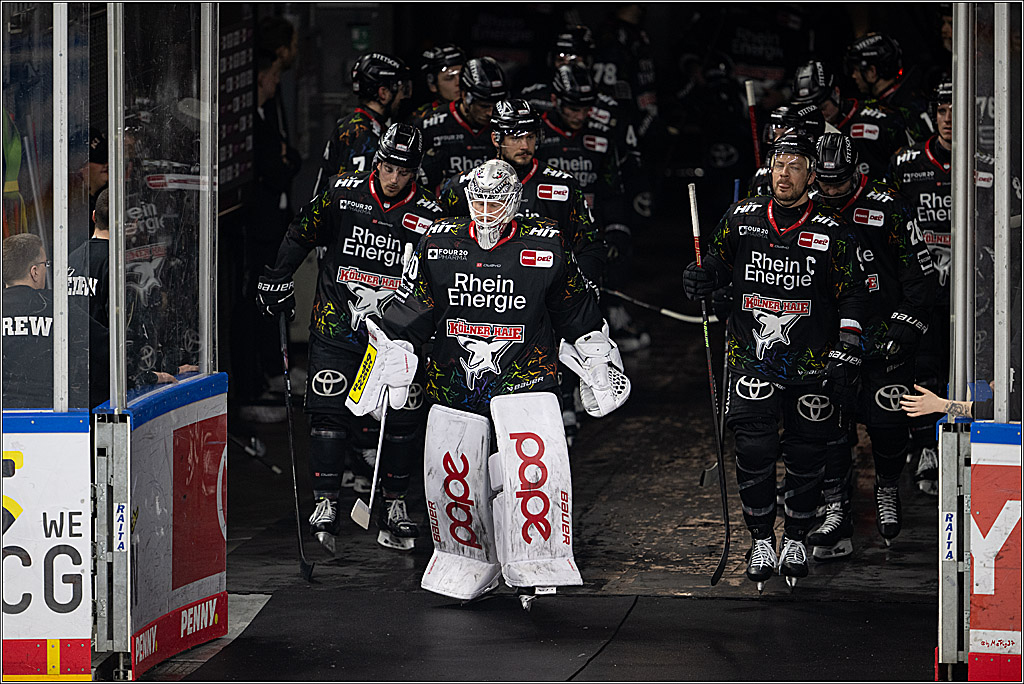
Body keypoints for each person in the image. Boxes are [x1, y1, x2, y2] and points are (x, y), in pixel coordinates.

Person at [344, 158, 631, 604]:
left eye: (496, 201)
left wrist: (598, 360)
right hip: (455, 379)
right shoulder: (439, 242)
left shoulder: (547, 245)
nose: (485, 211)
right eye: (478, 200)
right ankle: (468, 558)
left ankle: (539, 557)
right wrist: (391, 352)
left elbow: (577, 311)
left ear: (514, 201)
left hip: (527, 375)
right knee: (454, 474)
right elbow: (412, 307)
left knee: (528, 468)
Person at [681, 134, 869, 591]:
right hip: (751, 358)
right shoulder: (744, 217)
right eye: (779, 164)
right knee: (754, 449)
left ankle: (797, 539)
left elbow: (857, 292)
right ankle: (762, 539)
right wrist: (701, 277)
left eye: (795, 166)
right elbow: (715, 266)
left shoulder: (832, 228)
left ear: (811, 175)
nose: (784, 174)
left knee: (807, 455)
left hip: (812, 364)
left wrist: (848, 347)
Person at [257, 124, 444, 553]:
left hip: (396, 338)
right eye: (389, 167)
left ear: (416, 172)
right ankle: (325, 502)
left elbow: (438, 279)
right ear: (376, 161)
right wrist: (276, 278)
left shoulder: (430, 215)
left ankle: (395, 505)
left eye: (404, 171)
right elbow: (301, 232)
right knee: (326, 413)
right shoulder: (343, 194)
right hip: (338, 325)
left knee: (401, 418)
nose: (394, 178)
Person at [436, 99, 607, 448]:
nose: (525, 145)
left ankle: (558, 420)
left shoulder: (562, 187)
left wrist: (583, 289)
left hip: (541, 303)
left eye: (531, 136)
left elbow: (590, 245)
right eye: (515, 136)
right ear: (496, 137)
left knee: (536, 404)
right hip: (482, 302)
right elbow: (441, 242)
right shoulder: (466, 186)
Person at [808, 132, 937, 556]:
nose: (829, 190)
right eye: (823, 182)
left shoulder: (886, 205)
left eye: (837, 183)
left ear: (856, 172)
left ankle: (886, 488)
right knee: (828, 428)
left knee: (885, 425)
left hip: (883, 338)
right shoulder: (805, 210)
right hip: (828, 341)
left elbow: (921, 275)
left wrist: (906, 326)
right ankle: (835, 507)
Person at [535, 63, 648, 353]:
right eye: (572, 107)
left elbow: (611, 192)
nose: (579, 114)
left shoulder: (600, 139)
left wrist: (617, 231)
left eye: (585, 107)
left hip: (585, 236)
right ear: (556, 99)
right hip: (540, 235)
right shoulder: (534, 137)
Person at [886, 81, 952, 496]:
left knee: (970, 371)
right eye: (942, 109)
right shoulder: (906, 163)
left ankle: (964, 440)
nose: (949, 118)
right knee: (923, 366)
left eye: (956, 109)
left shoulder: (992, 160)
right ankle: (926, 446)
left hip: (975, 291)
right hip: (922, 287)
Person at [235, 48, 304, 424]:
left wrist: (286, 159)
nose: (278, 83)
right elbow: (275, 170)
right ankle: (254, 384)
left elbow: (289, 160)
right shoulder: (251, 122)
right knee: (254, 303)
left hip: (276, 222)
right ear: (260, 78)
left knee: (277, 295)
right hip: (255, 226)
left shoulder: (270, 114)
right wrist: (283, 162)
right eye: (274, 76)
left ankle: (275, 372)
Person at [2, 234, 91, 408]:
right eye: (45, 264)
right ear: (34, 271)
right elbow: (103, 345)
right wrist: (146, 375)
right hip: (51, 417)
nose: (45, 269)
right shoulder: (57, 306)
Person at [312, 52, 412, 198]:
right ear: (383, 93)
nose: (403, 97)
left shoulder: (364, 124)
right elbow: (357, 196)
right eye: (401, 90)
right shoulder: (361, 132)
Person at [791, 59, 906, 180]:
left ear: (836, 93)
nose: (817, 116)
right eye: (808, 110)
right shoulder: (800, 129)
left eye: (822, 108)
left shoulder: (878, 119)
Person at [419, 56, 508, 193]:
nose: (491, 113)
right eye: (484, 106)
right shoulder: (431, 124)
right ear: (465, 95)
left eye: (496, 106)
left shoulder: (508, 124)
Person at [843, 32, 933, 144]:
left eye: (856, 70)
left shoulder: (904, 109)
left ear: (872, 72)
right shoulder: (913, 98)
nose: (854, 76)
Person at [68, 188, 111, 408]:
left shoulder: (70, 260)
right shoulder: (117, 264)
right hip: (106, 377)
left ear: (94, 216)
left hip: (70, 373)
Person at [407, 44, 465, 127]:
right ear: (432, 85)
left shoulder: (481, 112)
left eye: (462, 76)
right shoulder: (420, 117)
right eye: (449, 78)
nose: (458, 83)